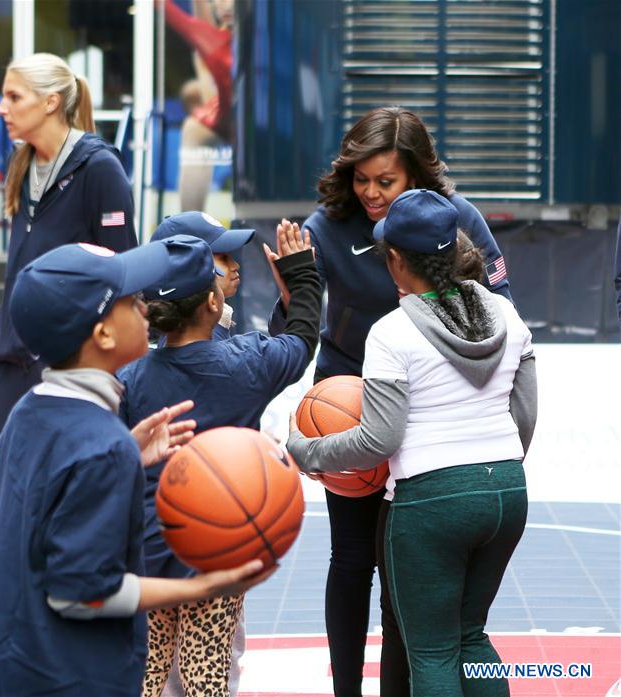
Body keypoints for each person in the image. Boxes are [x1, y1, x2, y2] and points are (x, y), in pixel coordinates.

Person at [267, 106, 513, 697]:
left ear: (416, 177)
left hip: (426, 414)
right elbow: (291, 332)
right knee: (352, 559)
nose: (371, 193)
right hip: (349, 404)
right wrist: (290, 291)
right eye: (362, 179)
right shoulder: (324, 227)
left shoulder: (457, 219)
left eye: (387, 181)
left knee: (406, 570)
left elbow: (501, 312)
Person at [0, 241, 276, 696]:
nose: (146, 307)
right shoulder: (101, 446)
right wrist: (202, 586)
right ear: (103, 336)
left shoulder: (31, 411)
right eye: (132, 302)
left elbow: (52, 501)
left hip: (8, 669)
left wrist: (126, 451)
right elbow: (82, 594)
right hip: (70, 678)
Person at [118, 223, 321, 696]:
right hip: (216, 549)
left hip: (147, 547)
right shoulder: (246, 363)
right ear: (214, 304)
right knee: (208, 676)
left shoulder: (130, 378)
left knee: (146, 677)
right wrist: (302, 276)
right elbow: (302, 339)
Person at [0, 53, 137, 507]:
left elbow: (121, 272)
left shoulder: (99, 169)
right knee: (2, 510)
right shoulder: (20, 165)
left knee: (60, 512)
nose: (1, 107)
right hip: (10, 365)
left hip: (69, 369)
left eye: (13, 96)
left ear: (51, 102)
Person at [165, 0, 234, 211]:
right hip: (225, 113)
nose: (221, 7)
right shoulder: (211, 38)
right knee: (193, 130)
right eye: (217, 2)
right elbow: (200, 18)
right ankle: (190, 224)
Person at [151, 210, 255, 341]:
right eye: (223, 258)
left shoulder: (213, 326)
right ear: (185, 267)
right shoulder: (194, 339)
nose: (235, 265)